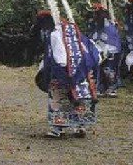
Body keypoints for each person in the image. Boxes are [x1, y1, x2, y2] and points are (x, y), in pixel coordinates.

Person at [35, 10, 99, 138]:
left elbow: (59, 57)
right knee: (79, 96)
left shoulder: (55, 34)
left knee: (59, 98)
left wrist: (62, 71)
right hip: (82, 70)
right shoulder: (74, 32)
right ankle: (80, 126)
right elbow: (92, 50)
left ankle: (58, 129)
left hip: (64, 72)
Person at [85, 3, 122, 97]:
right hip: (99, 49)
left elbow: (112, 37)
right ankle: (99, 89)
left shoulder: (107, 23)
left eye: (95, 13)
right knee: (98, 69)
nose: (93, 15)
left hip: (111, 48)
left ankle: (111, 88)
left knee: (109, 70)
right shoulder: (94, 22)